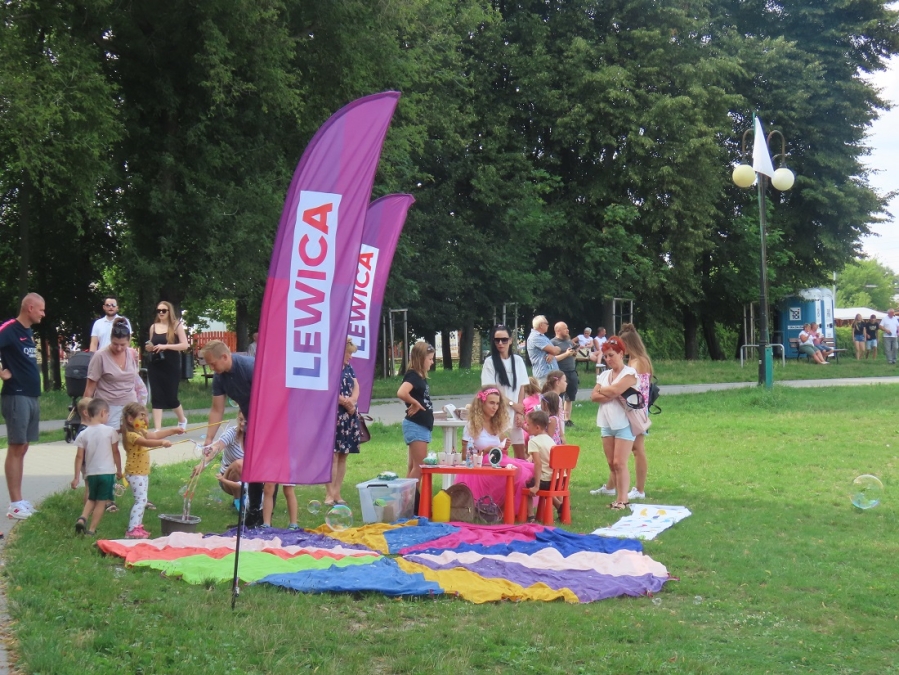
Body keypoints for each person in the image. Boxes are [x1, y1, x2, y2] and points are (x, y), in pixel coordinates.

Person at [200, 340, 263, 526]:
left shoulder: (249, 368)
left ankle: (264, 519)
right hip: (251, 423)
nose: (211, 368)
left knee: (264, 470)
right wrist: (209, 439)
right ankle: (252, 518)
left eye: (213, 364)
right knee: (252, 470)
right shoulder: (220, 377)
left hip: (268, 422)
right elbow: (217, 409)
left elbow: (270, 396)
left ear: (225, 357)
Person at [0, 292, 45, 520]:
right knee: (16, 447)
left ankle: (20, 500)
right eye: (41, 310)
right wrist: (1, 372)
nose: (43, 314)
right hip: (16, 396)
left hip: (31, 395)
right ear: (30, 308)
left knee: (23, 446)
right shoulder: (9, 328)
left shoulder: (28, 332)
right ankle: (15, 504)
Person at [456, 385, 534, 514]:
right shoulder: (472, 426)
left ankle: (519, 510)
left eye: (497, 404)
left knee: (530, 468)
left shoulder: (495, 424)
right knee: (519, 470)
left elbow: (500, 451)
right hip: (480, 468)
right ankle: (510, 510)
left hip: (495, 464)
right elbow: (465, 456)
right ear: (482, 403)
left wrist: (503, 446)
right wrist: (486, 451)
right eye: (491, 403)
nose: (495, 407)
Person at [120, 402, 184, 538]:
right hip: (135, 473)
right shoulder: (131, 435)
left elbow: (154, 436)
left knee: (142, 500)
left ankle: (137, 527)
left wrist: (173, 430)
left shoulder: (140, 431)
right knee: (141, 501)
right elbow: (147, 442)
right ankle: (132, 530)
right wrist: (162, 443)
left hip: (142, 473)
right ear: (130, 419)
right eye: (141, 418)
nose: (145, 421)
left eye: (145, 417)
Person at [590, 336, 638, 510]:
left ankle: (623, 499)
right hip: (606, 423)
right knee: (611, 463)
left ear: (621, 354)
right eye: (605, 356)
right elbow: (594, 396)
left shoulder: (630, 373)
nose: (608, 359)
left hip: (624, 422)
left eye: (611, 355)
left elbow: (616, 390)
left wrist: (605, 390)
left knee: (619, 462)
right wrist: (609, 392)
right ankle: (617, 495)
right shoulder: (604, 375)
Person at [70, 398, 122, 536]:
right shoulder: (111, 431)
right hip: (107, 473)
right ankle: (92, 530)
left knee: (92, 498)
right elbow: (115, 452)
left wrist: (76, 477)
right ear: (103, 412)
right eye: (108, 414)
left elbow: (79, 457)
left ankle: (82, 518)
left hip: (91, 473)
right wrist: (119, 469)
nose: (108, 417)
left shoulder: (83, 433)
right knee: (101, 502)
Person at [481, 324, 529, 459]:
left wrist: (519, 411)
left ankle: (521, 474)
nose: (500, 343)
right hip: (498, 413)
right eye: (497, 340)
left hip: (515, 413)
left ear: (511, 340)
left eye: (504, 340)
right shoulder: (490, 362)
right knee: (500, 452)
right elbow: (492, 390)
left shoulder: (518, 361)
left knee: (520, 453)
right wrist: (513, 405)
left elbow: (522, 387)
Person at [397, 341, 435, 495]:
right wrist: (415, 403)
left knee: (413, 466)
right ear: (420, 358)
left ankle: (407, 501)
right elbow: (401, 392)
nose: (432, 362)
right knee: (419, 467)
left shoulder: (420, 377)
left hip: (421, 425)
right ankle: (409, 499)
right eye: (430, 359)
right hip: (416, 425)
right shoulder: (413, 375)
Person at [619, 323, 652, 501]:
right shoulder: (634, 360)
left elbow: (637, 389)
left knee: (638, 449)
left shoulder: (638, 362)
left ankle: (639, 489)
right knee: (634, 449)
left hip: (637, 411)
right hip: (634, 409)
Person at [328, 338, 361, 506]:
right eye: (348, 353)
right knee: (333, 455)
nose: (350, 356)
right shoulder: (330, 367)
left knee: (343, 455)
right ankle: (329, 494)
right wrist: (345, 402)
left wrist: (352, 402)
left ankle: (337, 492)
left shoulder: (349, 368)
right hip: (334, 415)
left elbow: (356, 386)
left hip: (348, 415)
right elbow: (329, 389)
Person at [146, 301, 189, 431]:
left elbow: (184, 345)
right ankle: (158, 429)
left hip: (171, 365)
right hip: (156, 364)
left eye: (164, 311)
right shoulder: (153, 327)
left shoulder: (176, 325)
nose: (161, 313)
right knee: (156, 396)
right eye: (158, 310)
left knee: (171, 396)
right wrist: (149, 347)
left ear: (169, 312)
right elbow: (151, 344)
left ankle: (182, 419)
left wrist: (166, 346)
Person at [192, 411, 246, 507]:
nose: (242, 424)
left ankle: (252, 499)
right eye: (240, 420)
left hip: (250, 479)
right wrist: (203, 464)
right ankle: (238, 500)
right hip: (227, 479)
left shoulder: (259, 436)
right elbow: (216, 447)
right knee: (240, 464)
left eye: (246, 421)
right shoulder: (232, 433)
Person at [525, 409, 560, 520]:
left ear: (537, 427)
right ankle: (559, 506)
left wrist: (536, 486)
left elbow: (538, 464)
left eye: (528, 424)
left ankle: (530, 515)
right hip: (557, 480)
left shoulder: (533, 441)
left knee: (526, 485)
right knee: (540, 485)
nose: (526, 427)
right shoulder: (550, 440)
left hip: (546, 481)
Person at [550, 322, 579, 425]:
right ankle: (558, 418)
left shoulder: (569, 341)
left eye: (567, 328)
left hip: (572, 371)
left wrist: (573, 354)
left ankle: (567, 419)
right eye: (565, 329)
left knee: (570, 396)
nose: (567, 330)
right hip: (560, 373)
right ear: (558, 330)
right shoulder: (552, 343)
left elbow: (572, 356)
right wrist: (566, 354)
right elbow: (552, 359)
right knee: (559, 397)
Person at [526, 315, 560, 387]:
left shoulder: (543, 336)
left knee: (553, 394)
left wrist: (552, 353)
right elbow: (554, 350)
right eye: (546, 323)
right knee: (545, 394)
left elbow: (558, 349)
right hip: (544, 376)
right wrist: (553, 352)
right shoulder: (535, 337)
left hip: (551, 373)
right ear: (541, 325)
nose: (548, 325)